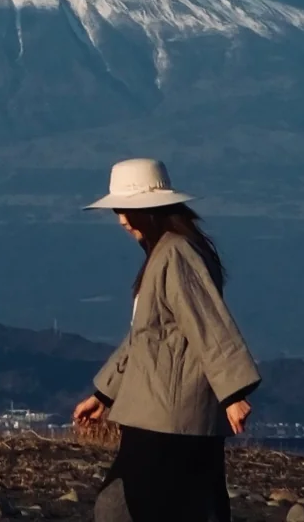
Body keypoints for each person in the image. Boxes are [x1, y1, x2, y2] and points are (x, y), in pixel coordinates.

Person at [73, 158, 260, 522]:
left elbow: (207, 322)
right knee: (144, 504)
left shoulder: (176, 253)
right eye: (117, 210)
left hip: (170, 417)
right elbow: (145, 337)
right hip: (161, 413)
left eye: (126, 209)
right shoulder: (165, 253)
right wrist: (104, 394)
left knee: (127, 504)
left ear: (151, 209)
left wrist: (233, 393)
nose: (121, 220)